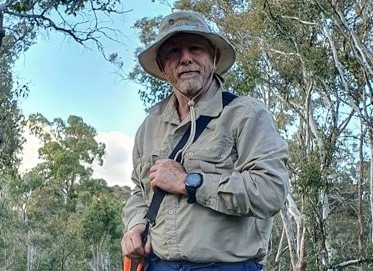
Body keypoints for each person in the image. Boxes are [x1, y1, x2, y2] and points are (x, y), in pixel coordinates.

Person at [121, 10, 289, 271]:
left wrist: (187, 182)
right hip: (159, 265)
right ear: (163, 66)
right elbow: (138, 192)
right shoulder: (149, 125)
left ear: (214, 57)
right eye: (174, 51)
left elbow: (270, 192)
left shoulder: (246, 114)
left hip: (226, 266)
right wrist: (135, 224)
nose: (185, 58)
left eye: (196, 48)